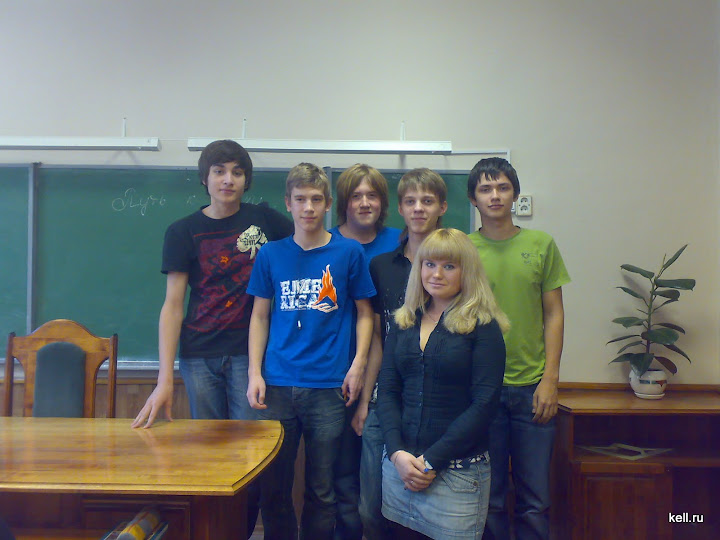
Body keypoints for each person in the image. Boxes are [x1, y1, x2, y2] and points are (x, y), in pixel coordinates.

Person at [131, 139, 293, 537]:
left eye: (237, 172)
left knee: (251, 457)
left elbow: (308, 241)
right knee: (211, 457)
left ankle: (240, 531)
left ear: (246, 180)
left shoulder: (267, 222)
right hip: (199, 357)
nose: (228, 180)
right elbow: (173, 306)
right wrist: (164, 379)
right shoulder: (183, 231)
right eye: (219, 172)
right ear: (205, 179)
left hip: (250, 357)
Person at [246, 162, 376, 539]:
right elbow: (259, 316)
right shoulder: (271, 255)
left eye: (316, 199)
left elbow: (365, 314)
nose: (308, 208)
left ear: (328, 204)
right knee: (274, 488)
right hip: (277, 385)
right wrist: (255, 373)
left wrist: (358, 366)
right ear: (288, 203)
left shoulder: (349, 252)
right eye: (300, 199)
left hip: (328, 386)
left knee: (322, 490)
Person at [377, 228, 508, 539]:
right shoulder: (404, 320)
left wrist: (432, 461)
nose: (436, 274)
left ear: (467, 272)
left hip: (457, 476)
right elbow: (388, 390)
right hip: (400, 470)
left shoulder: (484, 326)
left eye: (449, 266)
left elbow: (485, 404)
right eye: (429, 264)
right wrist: (396, 453)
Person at [466, 157, 570, 540]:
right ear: (473, 199)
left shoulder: (541, 244)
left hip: (532, 389)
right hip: (480, 392)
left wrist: (550, 379)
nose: (495, 195)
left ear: (515, 194)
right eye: (485, 189)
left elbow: (554, 313)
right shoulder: (464, 250)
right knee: (489, 499)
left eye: (502, 187)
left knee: (535, 500)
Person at [352, 168, 448, 540]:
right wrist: (365, 402)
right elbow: (378, 339)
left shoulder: (453, 267)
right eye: (410, 201)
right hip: (386, 398)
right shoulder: (381, 266)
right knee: (371, 507)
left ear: (442, 207)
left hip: (435, 402)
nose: (418, 208)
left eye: (427, 201)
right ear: (400, 209)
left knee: (424, 510)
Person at [328, 164, 401, 540]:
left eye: (372, 195)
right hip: (336, 373)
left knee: (383, 476)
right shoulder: (325, 242)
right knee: (342, 473)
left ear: (383, 202)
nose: (364, 203)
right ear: (343, 202)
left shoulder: (401, 241)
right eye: (355, 196)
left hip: (390, 376)